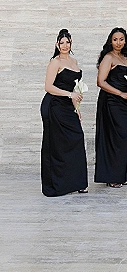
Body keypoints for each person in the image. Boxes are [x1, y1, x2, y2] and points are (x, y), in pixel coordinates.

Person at [40, 29, 88, 196]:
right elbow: (48, 87)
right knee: (58, 144)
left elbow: (74, 87)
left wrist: (76, 108)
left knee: (77, 137)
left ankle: (78, 182)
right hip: (54, 105)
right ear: (57, 44)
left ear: (71, 43)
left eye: (67, 42)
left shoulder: (74, 62)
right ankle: (59, 184)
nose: (65, 45)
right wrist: (70, 95)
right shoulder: (55, 62)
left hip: (68, 106)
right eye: (62, 43)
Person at [94, 27, 127, 188]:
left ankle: (119, 175)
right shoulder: (108, 58)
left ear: (125, 41)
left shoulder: (125, 58)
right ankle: (111, 176)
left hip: (124, 103)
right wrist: (120, 94)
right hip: (111, 101)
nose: (118, 42)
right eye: (115, 39)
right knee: (112, 138)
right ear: (111, 41)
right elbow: (100, 82)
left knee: (123, 138)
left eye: (121, 39)